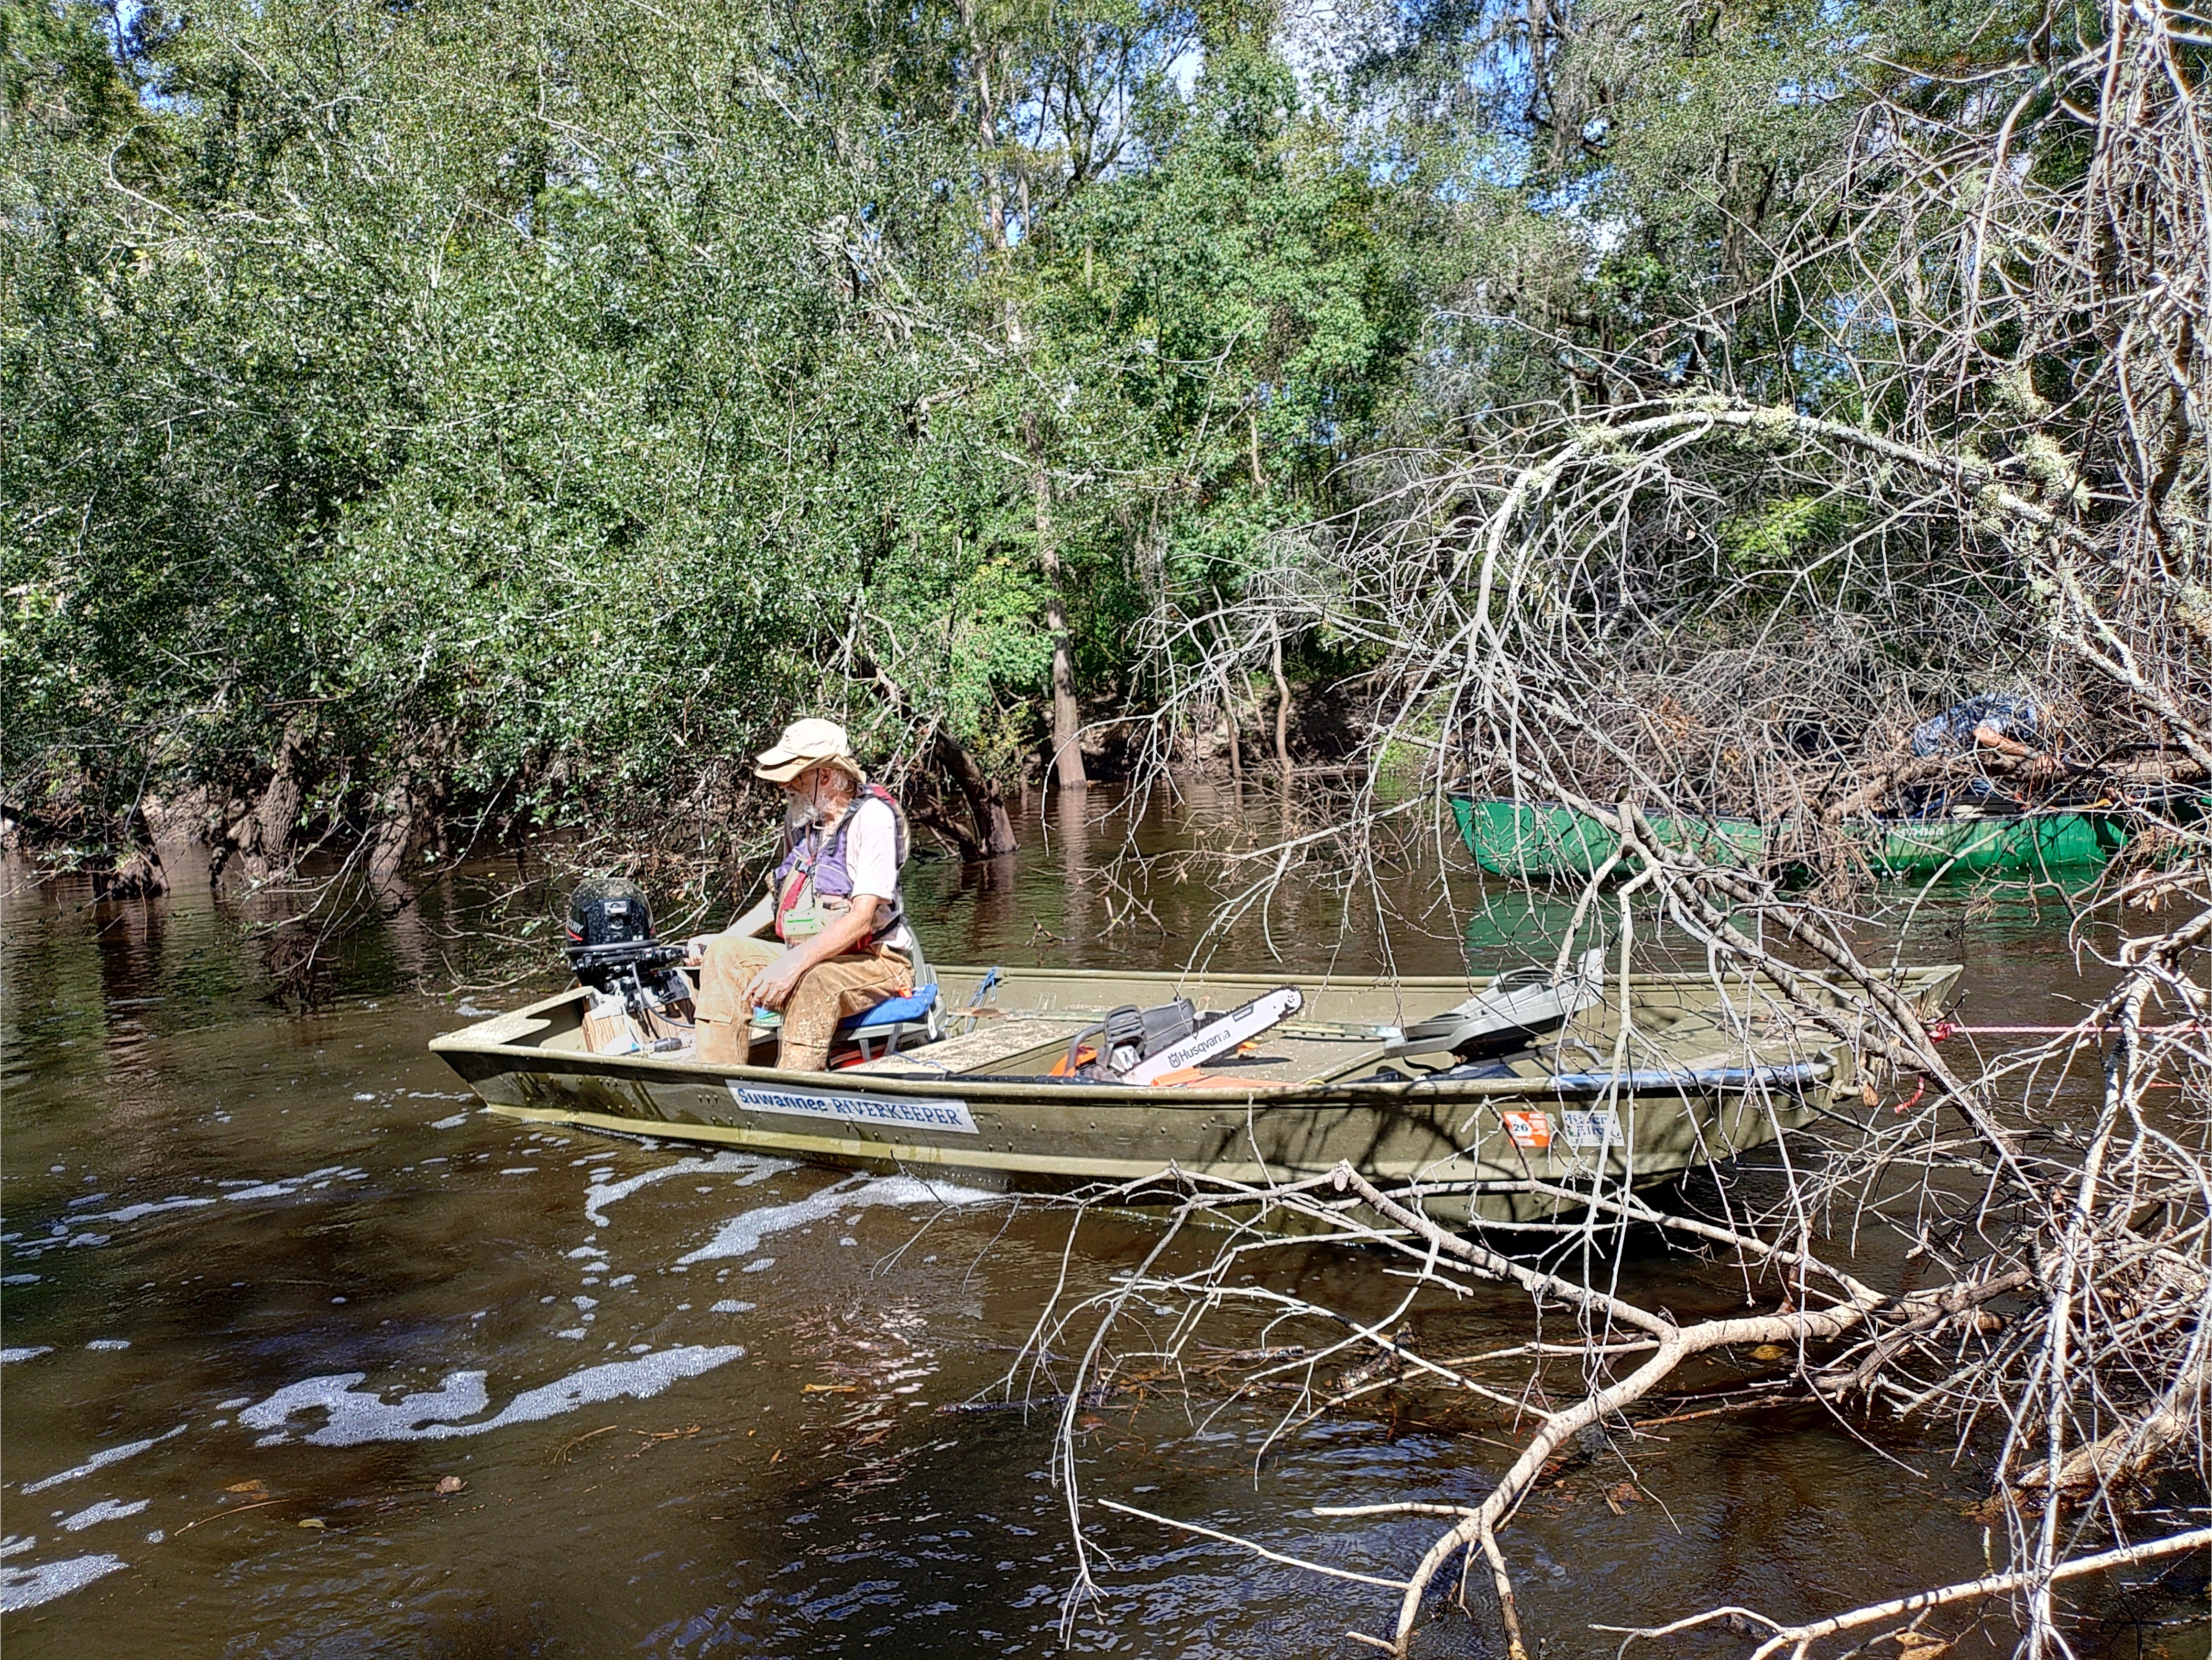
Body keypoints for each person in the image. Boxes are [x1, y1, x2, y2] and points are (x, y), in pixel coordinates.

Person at [688, 719, 916, 1071]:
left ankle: (793, 1090)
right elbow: (782, 898)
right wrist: (722, 937)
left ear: (825, 776)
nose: (783, 784)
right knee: (725, 955)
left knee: (814, 980)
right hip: (811, 950)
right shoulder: (802, 818)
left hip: (878, 960)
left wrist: (792, 966)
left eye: (795, 775)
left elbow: (862, 920)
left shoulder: (873, 819)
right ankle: (719, 1083)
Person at [1905, 692, 2062, 811]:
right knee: (1987, 790)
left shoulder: (2021, 707)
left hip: (1941, 744)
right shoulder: (2019, 710)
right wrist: (2033, 754)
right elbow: (1983, 733)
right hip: (1933, 744)